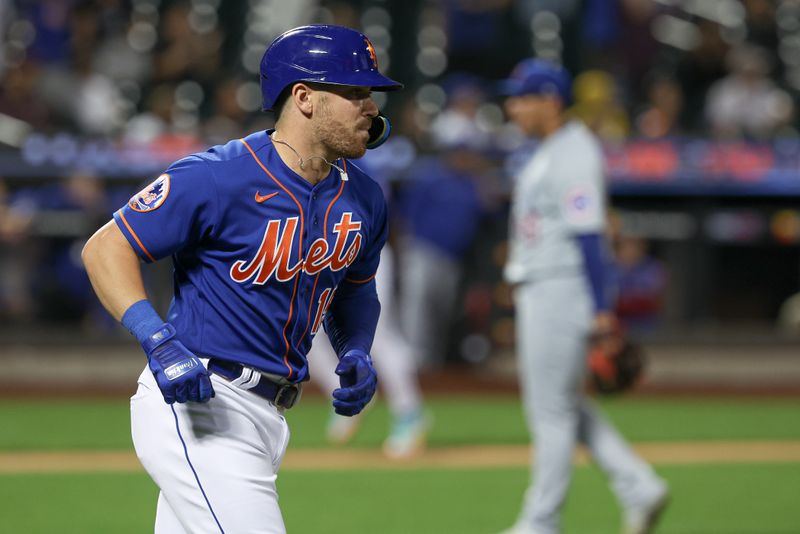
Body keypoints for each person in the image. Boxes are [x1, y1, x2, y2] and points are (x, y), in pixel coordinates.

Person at [81, 24, 401, 533]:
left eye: (371, 94)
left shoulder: (364, 197)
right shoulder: (217, 176)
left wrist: (356, 348)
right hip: (201, 403)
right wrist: (158, 341)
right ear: (304, 98)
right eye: (354, 92)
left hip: (271, 418)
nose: (371, 106)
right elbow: (106, 248)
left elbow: (357, 289)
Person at [498, 59, 669, 534]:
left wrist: (600, 308)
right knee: (565, 404)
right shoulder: (551, 149)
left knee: (549, 411)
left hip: (561, 287)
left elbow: (590, 235)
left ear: (549, 101)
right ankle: (639, 485)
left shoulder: (574, 152)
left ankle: (540, 522)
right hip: (548, 285)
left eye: (520, 97)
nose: (512, 107)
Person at [308, 244, 430, 459]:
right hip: (320, 254)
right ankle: (346, 392)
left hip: (363, 249)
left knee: (376, 333)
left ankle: (409, 412)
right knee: (306, 333)